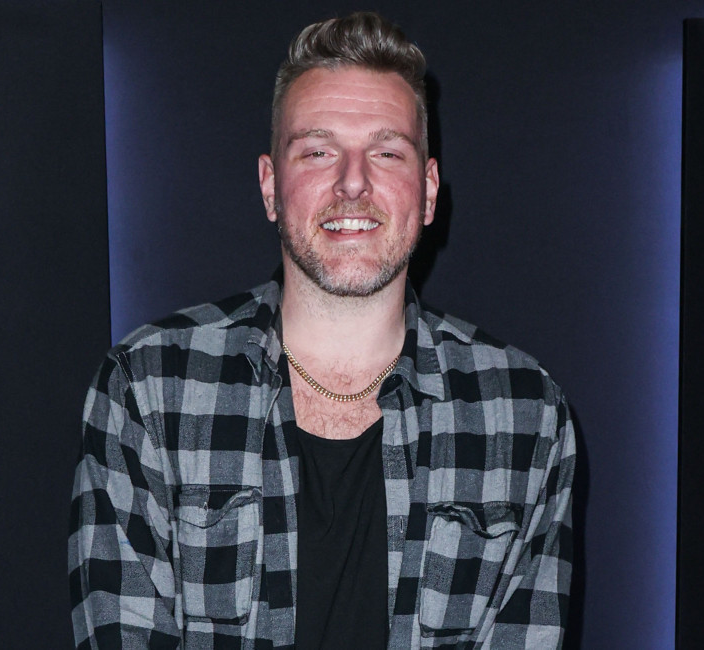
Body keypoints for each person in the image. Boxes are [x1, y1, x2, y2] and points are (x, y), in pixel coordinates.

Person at [70, 12, 574, 649]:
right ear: (270, 186)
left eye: (386, 152)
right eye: (318, 151)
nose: (353, 182)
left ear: (427, 190)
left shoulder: (523, 413)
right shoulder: (147, 389)